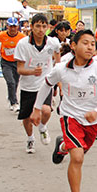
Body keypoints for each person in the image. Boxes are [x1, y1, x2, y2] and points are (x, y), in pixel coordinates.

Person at [30, 29, 97, 192]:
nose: (90, 47)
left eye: (93, 43)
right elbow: (46, 84)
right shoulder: (61, 68)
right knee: (77, 157)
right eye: (85, 43)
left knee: (79, 151)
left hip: (92, 120)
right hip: (70, 117)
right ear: (74, 46)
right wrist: (36, 108)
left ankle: (62, 146)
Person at [14, 13, 61, 154]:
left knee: (46, 110)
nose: (41, 29)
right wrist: (32, 71)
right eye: (38, 26)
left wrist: (57, 77)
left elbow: (58, 59)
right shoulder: (23, 44)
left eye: (44, 26)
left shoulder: (53, 42)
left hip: (45, 84)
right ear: (32, 27)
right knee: (27, 117)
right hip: (28, 85)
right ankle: (30, 138)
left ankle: (42, 128)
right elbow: (20, 69)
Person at [0, 17, 25, 111]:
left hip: (17, 62)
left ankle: (11, 97)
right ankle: (14, 103)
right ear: (7, 26)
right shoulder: (2, 35)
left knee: (15, 83)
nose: (12, 29)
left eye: (14, 26)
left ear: (17, 27)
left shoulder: (22, 37)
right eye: (11, 26)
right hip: (6, 62)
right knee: (10, 82)